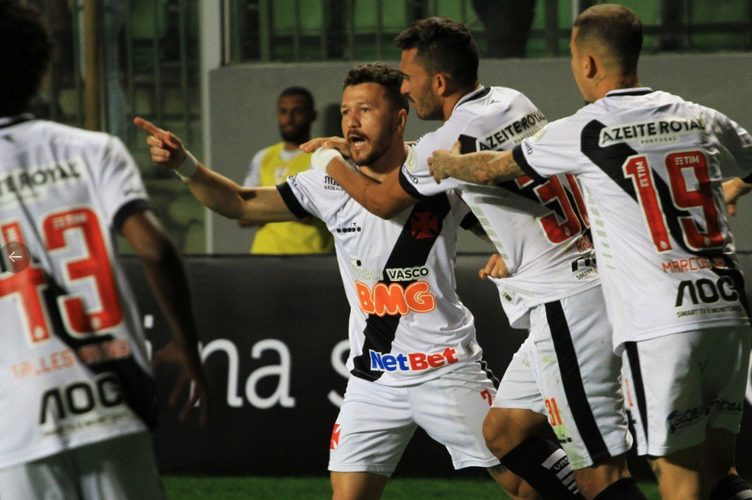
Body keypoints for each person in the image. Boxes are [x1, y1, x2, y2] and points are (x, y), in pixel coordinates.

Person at [136, 62, 539, 500]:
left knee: (527, 484)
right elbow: (240, 203)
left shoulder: (434, 169)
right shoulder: (326, 184)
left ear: (399, 118)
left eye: (365, 109)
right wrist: (185, 163)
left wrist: (503, 247)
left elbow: (495, 218)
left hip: (443, 366)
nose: (351, 121)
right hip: (373, 378)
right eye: (346, 111)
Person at [428, 5, 752, 500]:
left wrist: (446, 161)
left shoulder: (585, 129)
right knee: (720, 470)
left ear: (587, 63)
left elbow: (491, 169)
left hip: (663, 319)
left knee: (679, 477)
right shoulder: (696, 114)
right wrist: (737, 186)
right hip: (728, 308)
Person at [302, 17, 644, 500]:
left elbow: (381, 201)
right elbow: (517, 183)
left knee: (599, 471)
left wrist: (330, 161)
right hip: (570, 277)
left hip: (570, 294)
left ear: (438, 83)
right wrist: (509, 246)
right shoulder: (511, 100)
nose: (403, 86)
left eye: (408, 76)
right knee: (501, 433)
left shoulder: (446, 142)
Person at [0, 1, 210, 499]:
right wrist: (186, 344)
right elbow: (155, 250)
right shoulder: (93, 149)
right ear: (41, 66)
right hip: (112, 399)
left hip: (18, 414)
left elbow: (16, 256)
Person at [239, 87, 333, 255]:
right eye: (283, 111)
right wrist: (289, 206)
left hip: (310, 257)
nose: (289, 119)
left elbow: (307, 213)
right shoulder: (263, 157)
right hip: (263, 256)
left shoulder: (323, 157)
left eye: (297, 111)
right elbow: (242, 214)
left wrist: (260, 208)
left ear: (313, 116)